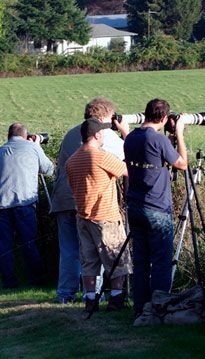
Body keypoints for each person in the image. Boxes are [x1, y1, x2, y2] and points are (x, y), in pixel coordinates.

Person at [50, 97, 129, 303]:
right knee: (100, 250)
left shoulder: (71, 133)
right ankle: (102, 296)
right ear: (104, 117)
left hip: (63, 198)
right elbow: (130, 156)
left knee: (70, 251)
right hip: (92, 203)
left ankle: (66, 294)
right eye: (112, 118)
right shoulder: (104, 137)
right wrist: (124, 131)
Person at [123, 99, 188, 317]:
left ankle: (141, 309)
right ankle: (159, 308)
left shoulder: (131, 138)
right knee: (161, 261)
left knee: (141, 261)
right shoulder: (158, 140)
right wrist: (179, 132)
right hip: (157, 207)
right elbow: (182, 164)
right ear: (163, 118)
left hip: (135, 206)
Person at [65, 118, 132, 312]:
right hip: (105, 216)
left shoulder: (72, 160)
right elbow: (127, 170)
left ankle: (90, 299)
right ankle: (116, 299)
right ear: (96, 135)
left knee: (89, 261)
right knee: (116, 258)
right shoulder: (100, 156)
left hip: (82, 216)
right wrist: (126, 135)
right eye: (102, 132)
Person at [0, 123, 54, 288]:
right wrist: (37, 145)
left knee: (4, 245)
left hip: (0, 204)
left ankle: (8, 281)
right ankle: (36, 279)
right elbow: (49, 169)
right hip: (24, 202)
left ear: (8, 136)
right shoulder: (32, 148)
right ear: (25, 135)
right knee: (29, 242)